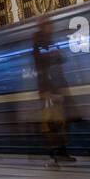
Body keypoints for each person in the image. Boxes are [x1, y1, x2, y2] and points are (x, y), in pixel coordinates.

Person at [33, 19, 76, 167]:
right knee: (51, 121)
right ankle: (53, 154)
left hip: (58, 86)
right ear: (43, 27)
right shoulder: (39, 43)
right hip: (48, 89)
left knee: (61, 121)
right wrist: (46, 90)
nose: (52, 27)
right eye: (49, 25)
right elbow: (41, 64)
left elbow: (62, 58)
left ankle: (62, 151)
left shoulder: (51, 42)